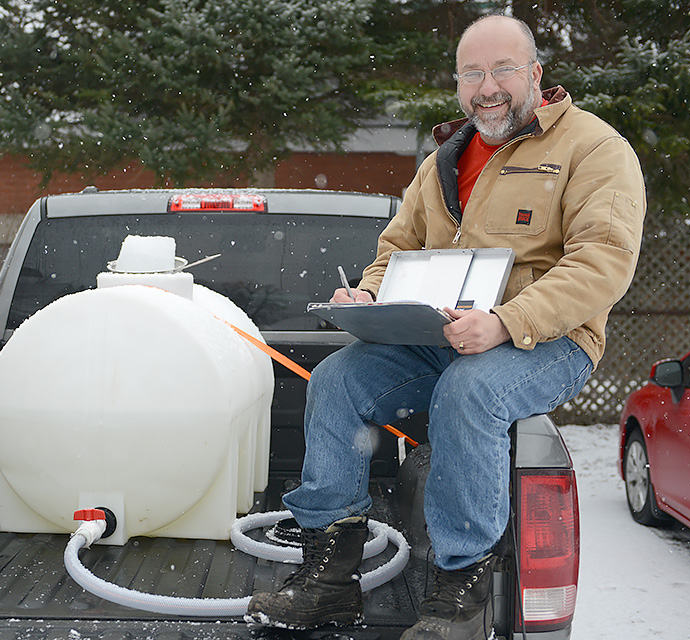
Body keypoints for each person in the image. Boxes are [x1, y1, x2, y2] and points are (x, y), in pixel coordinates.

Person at [245, 13, 646, 640]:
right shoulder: (443, 160)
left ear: (537, 73)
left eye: (503, 70)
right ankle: (330, 574)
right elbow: (396, 248)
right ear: (459, 84)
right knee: (337, 379)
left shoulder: (592, 148)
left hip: (550, 341)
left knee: (470, 390)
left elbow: (604, 264)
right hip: (441, 338)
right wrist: (367, 293)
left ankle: (460, 586)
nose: (488, 86)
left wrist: (507, 321)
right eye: (472, 73)